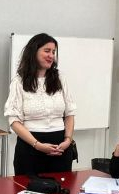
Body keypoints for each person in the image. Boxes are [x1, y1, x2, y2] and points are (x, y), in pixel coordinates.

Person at [4, 33, 76, 175]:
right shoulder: (19, 81)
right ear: (34, 52)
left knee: (61, 192)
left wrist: (68, 140)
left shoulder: (60, 78)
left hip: (60, 147)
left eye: (53, 52)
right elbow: (14, 120)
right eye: (47, 51)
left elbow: (70, 113)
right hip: (30, 147)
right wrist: (38, 145)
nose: (51, 55)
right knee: (28, 191)